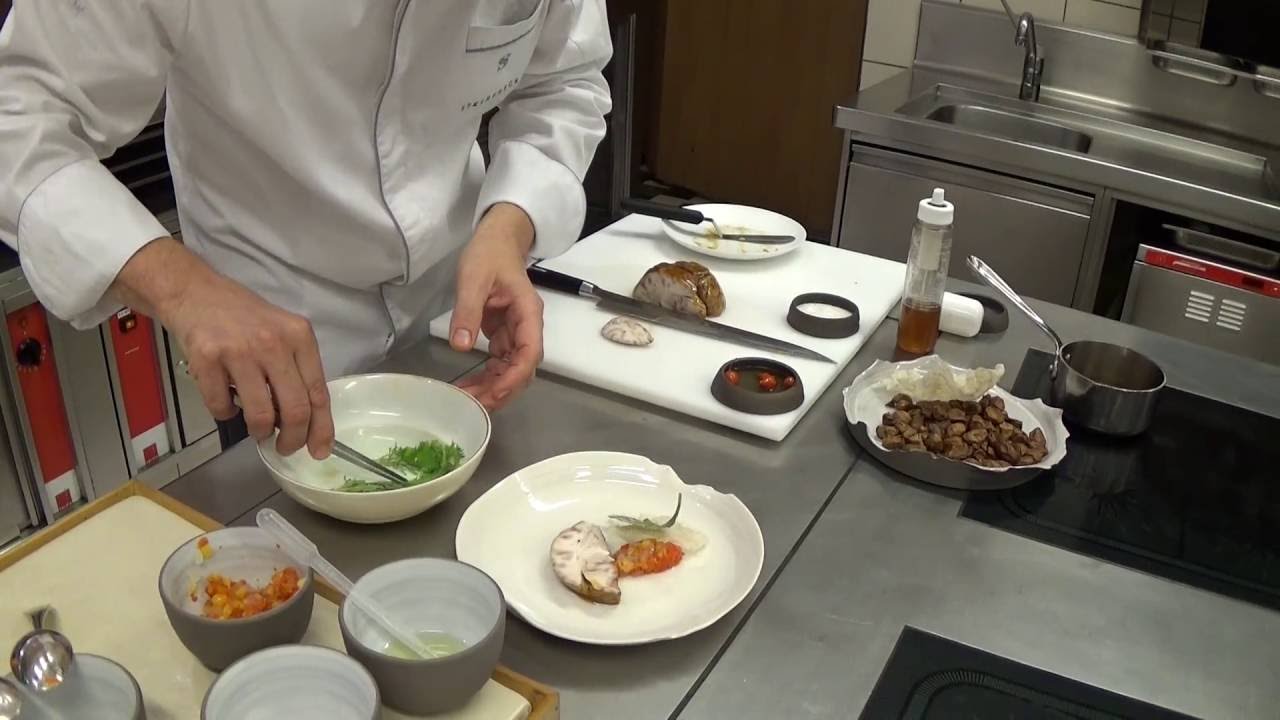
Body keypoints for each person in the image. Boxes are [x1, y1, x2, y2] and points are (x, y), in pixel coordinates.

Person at [0, 1, 611, 460]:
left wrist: (509, 225)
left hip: (453, 315)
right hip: (273, 333)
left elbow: (563, 83)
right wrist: (186, 292)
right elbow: (19, 117)